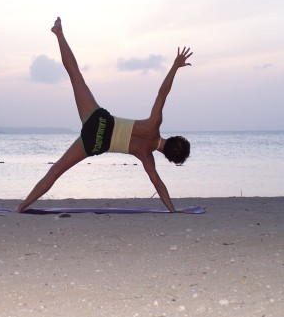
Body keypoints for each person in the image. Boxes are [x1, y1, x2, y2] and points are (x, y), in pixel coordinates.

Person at [16, 17, 192, 213]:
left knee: (75, 75)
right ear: (168, 158)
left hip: (100, 121)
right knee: (55, 171)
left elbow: (162, 93)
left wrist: (175, 66)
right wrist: (172, 210)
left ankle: (58, 33)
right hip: (96, 142)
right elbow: (158, 184)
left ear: (174, 138)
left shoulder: (154, 124)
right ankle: (21, 207)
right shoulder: (146, 156)